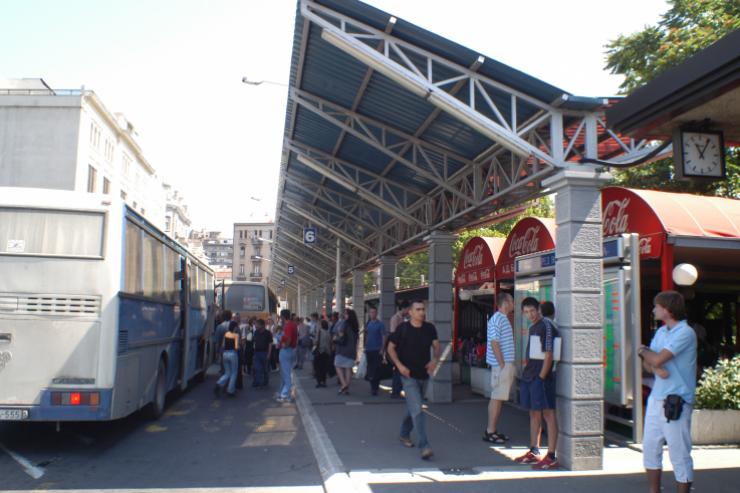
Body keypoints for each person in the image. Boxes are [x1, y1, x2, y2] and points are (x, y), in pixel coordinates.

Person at [639, 291, 696, 493]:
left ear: (668, 309)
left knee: (679, 453)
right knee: (650, 449)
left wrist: (642, 350)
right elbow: (649, 365)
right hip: (657, 398)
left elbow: (655, 358)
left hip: (677, 401)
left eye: (657, 306)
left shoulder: (685, 332)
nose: (654, 309)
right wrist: (653, 364)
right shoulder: (662, 332)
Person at [387, 300, 441, 460]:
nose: (422, 312)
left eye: (423, 309)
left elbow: (437, 346)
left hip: (423, 375)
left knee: (413, 407)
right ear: (410, 312)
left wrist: (435, 360)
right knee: (417, 408)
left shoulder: (430, 328)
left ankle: (404, 434)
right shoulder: (402, 329)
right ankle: (424, 445)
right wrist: (399, 365)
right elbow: (390, 348)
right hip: (407, 375)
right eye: (418, 310)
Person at [515, 297, 559, 470]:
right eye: (526, 312)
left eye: (532, 310)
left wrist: (541, 378)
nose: (530, 314)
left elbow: (549, 354)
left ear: (538, 309)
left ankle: (551, 455)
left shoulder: (546, 326)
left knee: (548, 414)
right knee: (534, 413)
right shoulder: (533, 327)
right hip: (530, 377)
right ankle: (534, 450)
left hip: (542, 379)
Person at [483, 292, 516, 444]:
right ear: (506, 302)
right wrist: (502, 365)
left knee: (498, 398)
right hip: (501, 366)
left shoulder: (500, 318)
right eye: (512, 301)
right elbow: (494, 342)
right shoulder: (498, 319)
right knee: (496, 398)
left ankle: (492, 430)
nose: (514, 303)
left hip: (501, 365)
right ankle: (490, 431)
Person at [333, 308, 359, 395]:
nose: (345, 315)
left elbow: (340, 334)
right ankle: (346, 388)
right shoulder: (355, 326)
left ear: (349, 315)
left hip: (342, 349)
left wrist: (337, 337)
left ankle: (344, 384)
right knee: (348, 368)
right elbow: (357, 340)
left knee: (337, 365)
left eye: (346, 314)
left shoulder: (344, 324)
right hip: (351, 350)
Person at [389, 300, 411, 398]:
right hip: (397, 347)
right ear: (404, 308)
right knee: (398, 369)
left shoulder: (405, 318)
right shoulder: (395, 318)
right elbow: (393, 334)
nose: (408, 311)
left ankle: (399, 389)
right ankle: (396, 391)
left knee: (401, 369)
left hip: (404, 347)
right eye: (408, 309)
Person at [364, 306, 387, 396]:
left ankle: (375, 388)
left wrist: (382, 348)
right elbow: (366, 336)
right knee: (370, 368)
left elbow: (384, 336)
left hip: (377, 350)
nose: (372, 314)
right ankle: (372, 385)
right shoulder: (368, 324)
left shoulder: (380, 324)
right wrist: (365, 347)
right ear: (369, 314)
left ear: (376, 313)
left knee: (377, 369)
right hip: (369, 349)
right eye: (371, 312)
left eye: (374, 312)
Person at [277, 309, 297, 402]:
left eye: (280, 316)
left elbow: (288, 338)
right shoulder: (293, 325)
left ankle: (284, 395)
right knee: (287, 373)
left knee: (286, 374)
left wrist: (285, 345)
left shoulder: (288, 326)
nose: (280, 318)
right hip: (291, 350)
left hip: (286, 351)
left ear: (283, 317)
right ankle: (286, 394)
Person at [214, 322, 239, 397]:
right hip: (232, 354)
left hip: (225, 354)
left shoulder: (226, 334)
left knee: (227, 372)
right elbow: (236, 347)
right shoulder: (236, 335)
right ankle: (230, 390)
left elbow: (223, 345)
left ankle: (219, 383)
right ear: (234, 327)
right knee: (234, 372)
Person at [252, 318, 272, 388]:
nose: (256, 326)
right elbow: (254, 342)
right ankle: (258, 383)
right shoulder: (255, 332)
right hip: (257, 353)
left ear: (262, 325)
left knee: (265, 369)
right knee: (258, 369)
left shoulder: (268, 333)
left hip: (265, 353)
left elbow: (270, 344)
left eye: (257, 324)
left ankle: (265, 382)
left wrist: (269, 354)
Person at [313, 319, 332, 388]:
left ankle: (319, 381)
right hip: (326, 352)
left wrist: (314, 343)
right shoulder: (328, 333)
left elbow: (316, 341)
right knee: (324, 368)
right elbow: (330, 342)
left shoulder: (319, 332)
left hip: (319, 351)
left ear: (321, 325)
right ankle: (324, 381)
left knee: (317, 367)